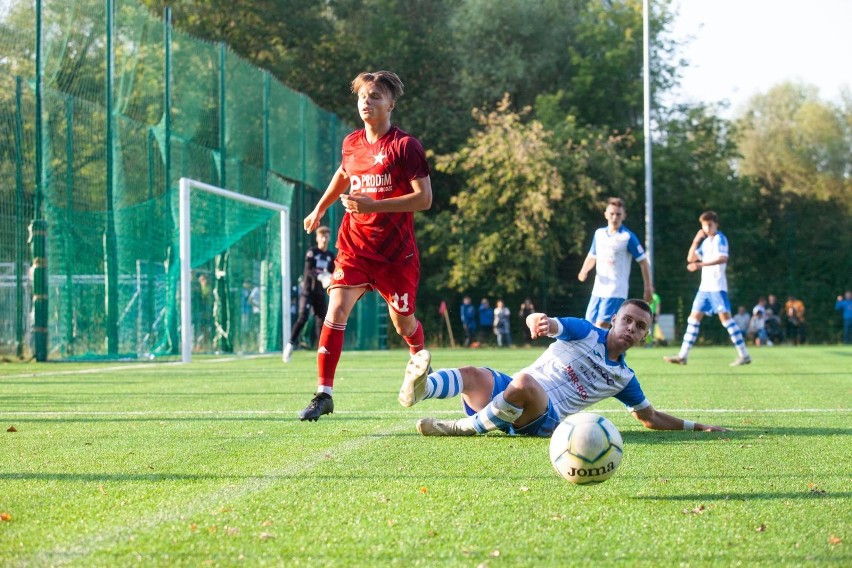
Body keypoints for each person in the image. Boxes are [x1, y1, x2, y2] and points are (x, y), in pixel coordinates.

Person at [298, 70, 432, 421]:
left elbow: (424, 199)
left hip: (395, 256)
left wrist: (374, 205)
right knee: (336, 309)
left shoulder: (406, 146)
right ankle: (323, 393)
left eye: (374, 96)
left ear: (390, 103)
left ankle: (418, 356)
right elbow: (343, 174)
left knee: (403, 325)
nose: (366, 101)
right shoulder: (351, 143)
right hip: (355, 247)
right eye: (362, 96)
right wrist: (318, 209)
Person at [397, 299, 728, 436]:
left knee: (524, 382)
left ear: (643, 337)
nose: (631, 329)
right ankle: (424, 388)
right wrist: (536, 320)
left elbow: (650, 418)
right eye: (627, 320)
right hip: (512, 391)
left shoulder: (624, 378)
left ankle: (459, 427)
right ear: (614, 320)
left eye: (640, 327)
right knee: (473, 374)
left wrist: (698, 427)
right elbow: (546, 322)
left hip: (544, 418)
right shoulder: (583, 330)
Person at [664, 211, 751, 366]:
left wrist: (700, 265)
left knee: (726, 321)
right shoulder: (705, 242)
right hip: (704, 288)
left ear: (716, 224)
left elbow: (723, 258)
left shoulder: (720, 239)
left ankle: (744, 354)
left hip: (717, 287)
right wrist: (696, 240)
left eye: (710, 224)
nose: (707, 227)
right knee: (693, 318)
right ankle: (682, 355)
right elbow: (690, 258)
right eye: (704, 225)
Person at [578, 197, 653, 328]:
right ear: (606, 214)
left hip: (616, 291)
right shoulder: (599, 234)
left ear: (624, 216)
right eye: (612, 213)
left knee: (602, 326)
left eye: (618, 214)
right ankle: (619, 349)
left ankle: (610, 348)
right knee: (589, 326)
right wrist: (584, 271)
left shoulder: (627, 237)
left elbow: (643, 261)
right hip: (598, 289)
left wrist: (648, 287)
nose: (615, 217)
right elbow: (592, 256)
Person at [284, 226, 336, 362]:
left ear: (329, 238)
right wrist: (320, 276)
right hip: (308, 292)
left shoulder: (330, 256)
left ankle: (322, 350)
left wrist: (330, 277)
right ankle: (289, 345)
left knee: (323, 321)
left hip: (320, 294)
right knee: (303, 317)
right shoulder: (312, 252)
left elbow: (334, 273)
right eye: (322, 236)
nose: (324, 239)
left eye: (326, 236)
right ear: (317, 238)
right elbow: (308, 270)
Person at [241, 279, 261, 350]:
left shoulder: (250, 291)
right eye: (246, 283)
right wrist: (258, 306)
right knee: (246, 328)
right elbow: (250, 300)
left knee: (251, 329)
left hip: (250, 312)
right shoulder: (243, 292)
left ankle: (252, 344)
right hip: (245, 312)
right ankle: (245, 344)